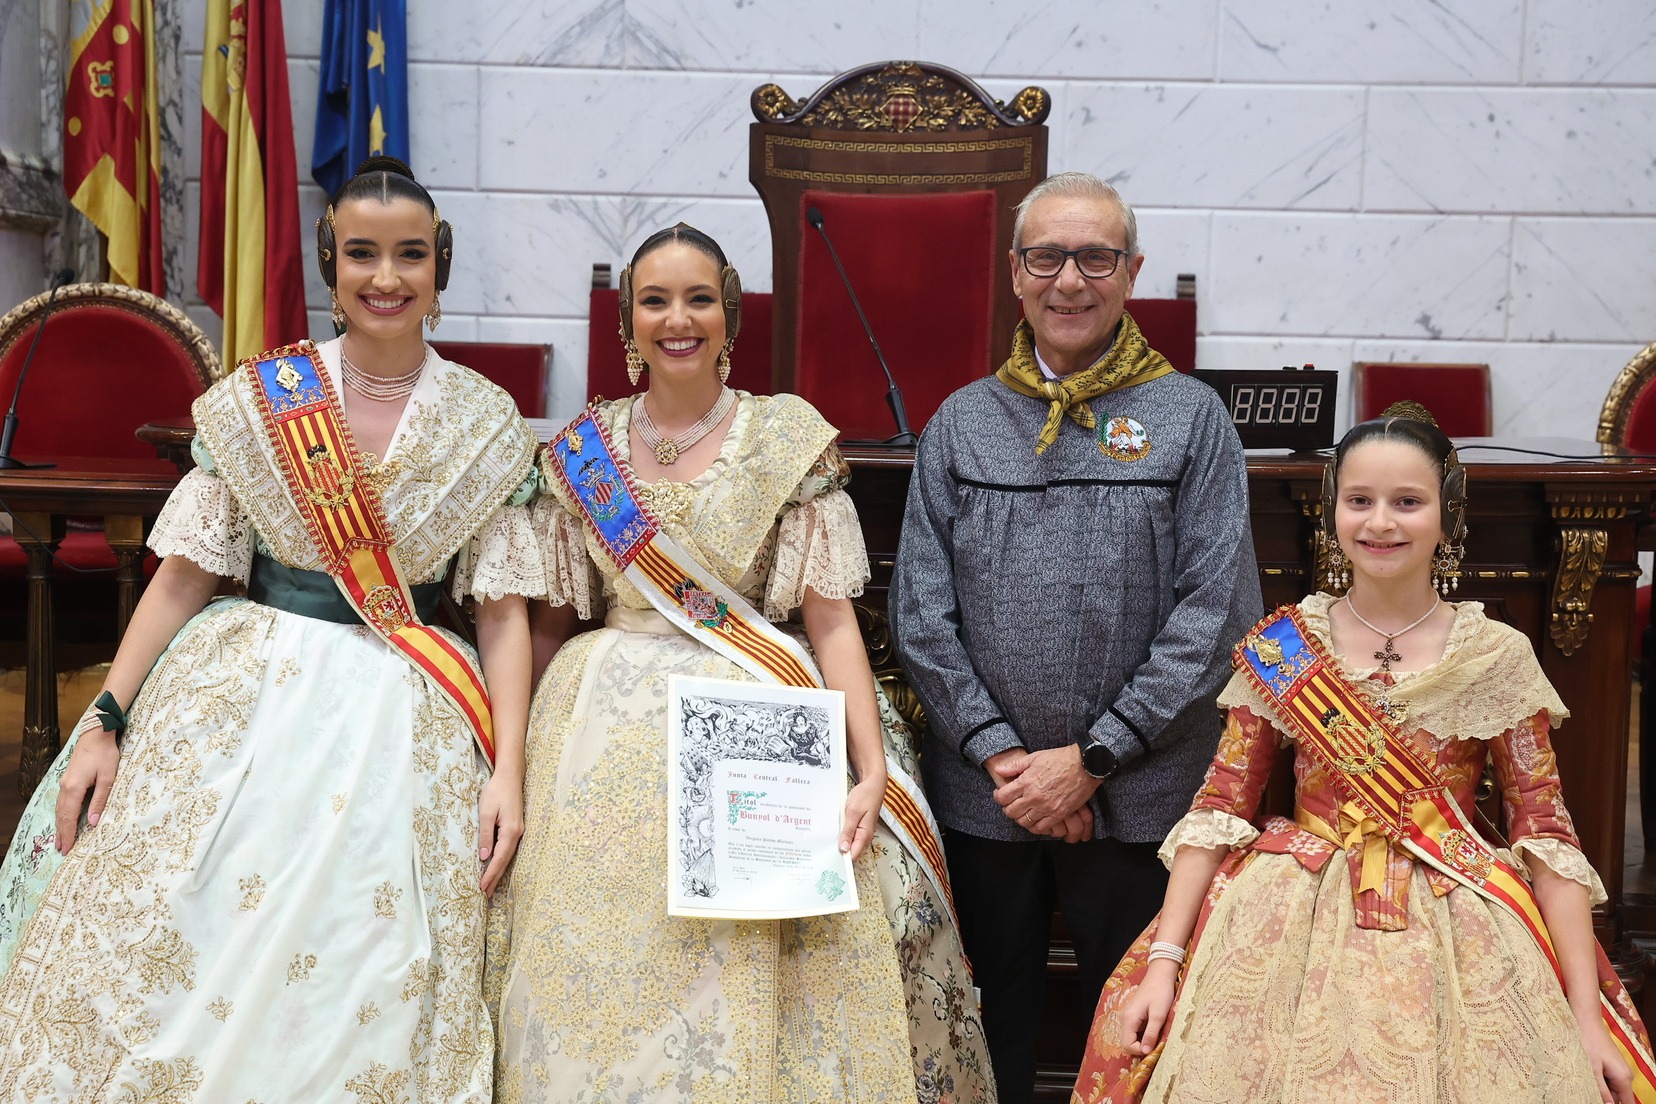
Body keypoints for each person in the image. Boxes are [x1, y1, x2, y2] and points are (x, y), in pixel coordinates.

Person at [0, 156, 541, 1101]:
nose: (386, 276)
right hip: (247, 691)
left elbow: (500, 615)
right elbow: (180, 579)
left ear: (441, 266)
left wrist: (508, 771)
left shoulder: (485, 422)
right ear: (329, 262)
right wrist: (106, 719)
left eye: (410, 254)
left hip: (407, 708)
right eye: (362, 252)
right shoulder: (264, 400)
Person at [489, 223, 993, 1104]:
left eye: (699, 299)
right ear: (627, 321)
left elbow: (831, 624)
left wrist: (871, 766)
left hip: (753, 718)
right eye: (655, 301)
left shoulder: (783, 438)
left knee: (740, 970)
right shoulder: (582, 450)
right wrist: (513, 760)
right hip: (597, 732)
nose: (677, 319)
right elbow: (549, 627)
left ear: (729, 315)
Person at [1074, 408, 1655, 1104]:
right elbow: (1219, 808)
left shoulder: (1495, 655)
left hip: (1456, 912)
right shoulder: (1287, 647)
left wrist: (1584, 1019)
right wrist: (1165, 965)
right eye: (1359, 500)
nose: (1380, 523)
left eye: (1407, 502)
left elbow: (1547, 836)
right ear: (1332, 512)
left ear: (1448, 514)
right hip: (1287, 912)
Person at [891, 172, 1261, 1102]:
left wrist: (1093, 759)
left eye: (1096, 257)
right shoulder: (961, 422)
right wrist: (1004, 758)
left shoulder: (1193, 420)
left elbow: (1217, 616)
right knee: (984, 1044)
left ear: (1131, 271)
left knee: (1134, 1043)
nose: (1070, 280)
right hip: (990, 801)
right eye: (1048, 257)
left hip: (1140, 800)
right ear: (1016, 273)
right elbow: (920, 616)